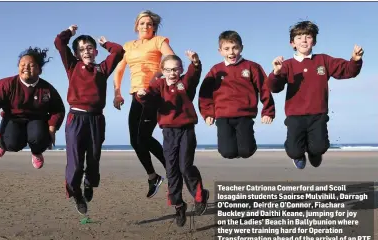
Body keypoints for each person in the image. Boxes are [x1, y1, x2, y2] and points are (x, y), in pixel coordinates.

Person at [267, 21, 364, 169]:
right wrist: (276, 73)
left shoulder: (323, 60)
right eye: (299, 37)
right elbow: (274, 87)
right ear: (292, 43)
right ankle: (297, 154)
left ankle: (314, 152)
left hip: (318, 114)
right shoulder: (286, 65)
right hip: (295, 115)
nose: (304, 40)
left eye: (308, 36)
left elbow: (347, 70)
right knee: (294, 150)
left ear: (314, 41)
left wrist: (355, 61)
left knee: (319, 147)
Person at [54, 25, 125, 215]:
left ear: (94, 51)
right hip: (75, 119)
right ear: (76, 53)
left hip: (96, 120)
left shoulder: (101, 69)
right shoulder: (72, 66)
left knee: (93, 159)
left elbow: (118, 51)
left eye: (89, 48)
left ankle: (89, 183)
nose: (86, 51)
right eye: (82, 49)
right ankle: (76, 193)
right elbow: (59, 43)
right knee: (76, 162)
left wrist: (105, 44)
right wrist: (69, 32)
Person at [136, 50, 209, 227]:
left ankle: (200, 195)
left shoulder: (185, 83)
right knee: (171, 170)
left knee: (185, 166)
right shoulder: (158, 85)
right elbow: (149, 99)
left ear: (181, 69)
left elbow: (194, 75)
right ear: (163, 70)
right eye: (168, 70)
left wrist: (196, 63)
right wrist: (141, 96)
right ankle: (178, 205)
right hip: (168, 132)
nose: (172, 73)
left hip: (186, 130)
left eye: (176, 69)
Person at [113, 10, 175, 198]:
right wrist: (117, 93)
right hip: (135, 95)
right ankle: (153, 176)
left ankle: (171, 170)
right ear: (136, 25)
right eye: (142, 23)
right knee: (135, 140)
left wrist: (157, 75)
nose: (146, 26)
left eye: (149, 23)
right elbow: (119, 69)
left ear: (154, 27)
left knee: (144, 137)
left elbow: (171, 59)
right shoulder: (129, 46)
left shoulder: (159, 41)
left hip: (153, 94)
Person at [198, 30, 275, 160]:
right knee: (227, 152)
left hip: (244, 115)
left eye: (235, 48)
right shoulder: (216, 70)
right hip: (223, 115)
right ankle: (230, 146)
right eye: (226, 49)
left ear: (241, 48)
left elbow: (264, 88)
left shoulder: (252, 67)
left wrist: (267, 111)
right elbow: (204, 93)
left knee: (246, 152)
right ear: (220, 51)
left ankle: (249, 144)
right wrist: (208, 114)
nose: (231, 52)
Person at [0, 47, 65, 169]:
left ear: (39, 70)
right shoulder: (5, 84)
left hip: (37, 119)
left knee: (39, 138)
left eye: (31, 65)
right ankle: (2, 142)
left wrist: (52, 130)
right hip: (13, 118)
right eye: (22, 64)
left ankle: (36, 153)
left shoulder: (47, 89)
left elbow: (58, 109)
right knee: (13, 144)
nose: (26, 67)